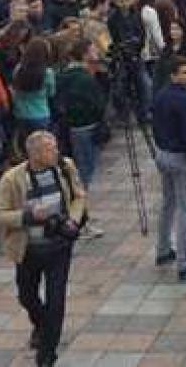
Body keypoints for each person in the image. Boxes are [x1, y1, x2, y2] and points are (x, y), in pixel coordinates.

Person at [0, 130, 86, 367]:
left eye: (55, 146)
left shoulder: (65, 167)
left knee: (56, 301)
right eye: (49, 149)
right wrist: (28, 216)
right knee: (27, 296)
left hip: (58, 247)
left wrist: (72, 221)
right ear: (33, 154)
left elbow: (79, 196)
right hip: (28, 250)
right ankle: (41, 324)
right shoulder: (13, 179)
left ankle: (46, 355)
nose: (56, 151)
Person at [152, 55, 186, 280]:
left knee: (168, 202)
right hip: (180, 156)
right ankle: (185, 260)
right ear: (173, 75)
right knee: (185, 208)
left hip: (163, 153)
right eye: (183, 72)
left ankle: (163, 248)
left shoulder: (161, 95)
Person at [54, 38, 106, 239]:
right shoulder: (83, 78)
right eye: (93, 49)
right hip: (85, 128)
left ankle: (82, 213)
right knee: (83, 175)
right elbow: (96, 103)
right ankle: (80, 218)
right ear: (84, 54)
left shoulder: (65, 75)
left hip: (72, 127)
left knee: (80, 173)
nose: (97, 52)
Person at [13, 38, 57, 151]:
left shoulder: (18, 69)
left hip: (21, 113)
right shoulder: (47, 73)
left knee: (27, 147)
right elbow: (51, 93)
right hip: (41, 113)